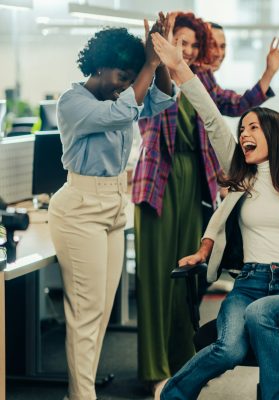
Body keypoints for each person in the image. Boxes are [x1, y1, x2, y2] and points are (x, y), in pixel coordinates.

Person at [150, 29, 279, 400]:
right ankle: (172, 394)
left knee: (261, 315)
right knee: (229, 349)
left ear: (274, 132)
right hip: (247, 285)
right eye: (242, 130)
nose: (244, 135)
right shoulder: (242, 172)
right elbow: (210, 116)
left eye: (253, 128)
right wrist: (177, 68)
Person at [132, 12, 279, 392]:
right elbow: (153, 96)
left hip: (195, 184)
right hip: (158, 182)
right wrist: (157, 53)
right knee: (156, 279)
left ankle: (183, 359)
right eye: (179, 42)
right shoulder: (151, 74)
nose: (185, 50)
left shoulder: (200, 80)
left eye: (191, 45)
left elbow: (233, 107)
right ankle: (154, 368)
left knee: (187, 278)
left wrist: (267, 75)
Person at [48, 21, 177, 400]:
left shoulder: (125, 96)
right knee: (85, 314)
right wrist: (147, 67)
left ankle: (80, 392)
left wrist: (162, 59)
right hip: (79, 209)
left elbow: (163, 100)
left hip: (113, 206)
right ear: (100, 66)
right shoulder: (73, 102)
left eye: (129, 79)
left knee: (101, 313)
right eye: (121, 76)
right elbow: (124, 113)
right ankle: (81, 396)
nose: (124, 85)